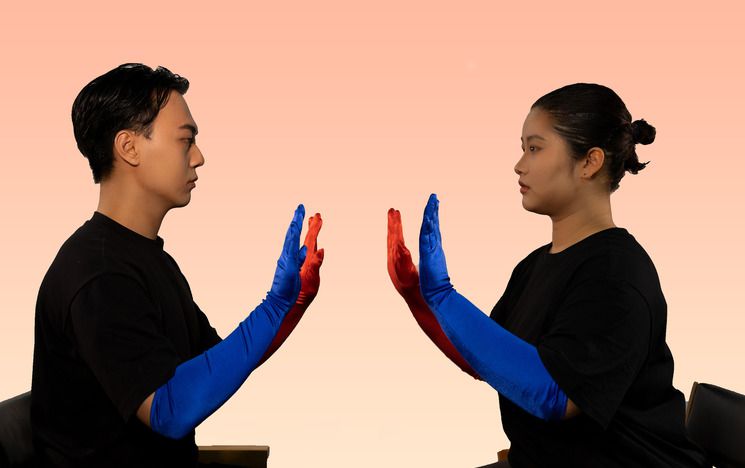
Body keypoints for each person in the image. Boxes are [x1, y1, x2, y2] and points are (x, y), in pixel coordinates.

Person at [387, 83, 709, 467]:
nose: (519, 164)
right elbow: (485, 359)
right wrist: (419, 297)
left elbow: (554, 393)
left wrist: (444, 297)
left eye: (535, 148)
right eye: (523, 148)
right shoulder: (534, 266)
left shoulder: (617, 274)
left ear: (589, 162)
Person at [30, 63, 325, 467]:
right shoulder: (99, 275)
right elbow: (170, 411)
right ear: (129, 147)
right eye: (186, 141)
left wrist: (293, 302)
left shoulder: (146, 258)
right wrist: (274, 306)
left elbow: (217, 364)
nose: (199, 157)